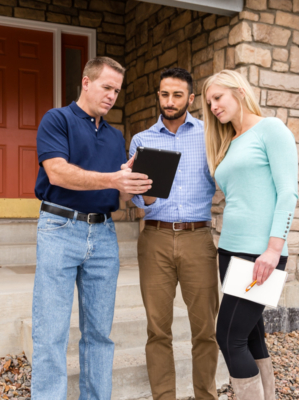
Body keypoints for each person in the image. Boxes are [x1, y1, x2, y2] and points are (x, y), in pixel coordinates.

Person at [31, 57, 153, 400]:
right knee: (50, 332)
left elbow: (120, 190)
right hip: (59, 228)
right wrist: (112, 179)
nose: (113, 95)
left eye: (117, 90)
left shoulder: (116, 138)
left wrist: (138, 185)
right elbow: (57, 172)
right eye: (106, 87)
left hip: (103, 235)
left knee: (100, 333)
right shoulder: (57, 120)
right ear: (86, 82)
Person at [202, 70, 298, 400]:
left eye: (218, 97)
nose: (213, 106)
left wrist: (274, 249)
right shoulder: (229, 142)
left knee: (228, 337)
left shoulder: (271, 129)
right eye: (209, 101)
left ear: (239, 92)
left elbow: (288, 193)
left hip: (260, 254)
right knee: (251, 335)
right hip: (229, 250)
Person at [127, 68, 219, 400]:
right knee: (157, 331)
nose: (169, 101)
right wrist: (146, 191)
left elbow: (225, 181)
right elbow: (139, 199)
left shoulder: (209, 134)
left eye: (177, 95)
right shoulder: (141, 140)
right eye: (164, 94)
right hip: (155, 238)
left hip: (198, 239)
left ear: (191, 99)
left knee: (206, 330)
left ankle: (205, 396)